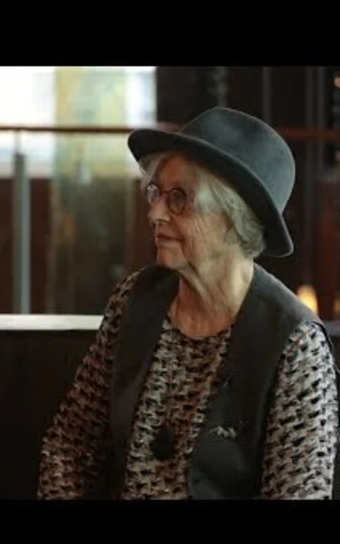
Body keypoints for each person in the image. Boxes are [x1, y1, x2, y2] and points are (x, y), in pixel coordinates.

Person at [37, 106, 339, 500]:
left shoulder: (295, 344)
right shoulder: (134, 301)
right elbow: (71, 445)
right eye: (156, 192)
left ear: (235, 219)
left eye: (179, 198)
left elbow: (297, 493)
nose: (155, 213)